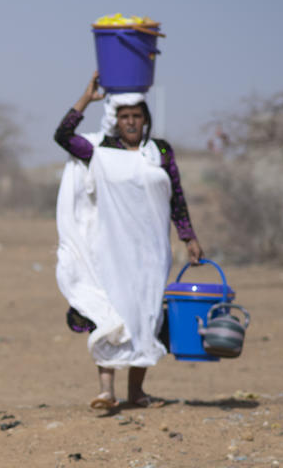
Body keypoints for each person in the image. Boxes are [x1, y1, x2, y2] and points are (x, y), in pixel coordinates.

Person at [53, 71, 204, 411]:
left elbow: (175, 197)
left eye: (137, 116)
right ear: (116, 120)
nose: (131, 122)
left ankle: (136, 392)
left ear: (145, 119)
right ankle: (106, 391)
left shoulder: (160, 152)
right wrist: (85, 98)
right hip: (111, 251)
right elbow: (62, 135)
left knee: (146, 315)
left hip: (152, 251)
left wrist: (188, 236)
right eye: (124, 116)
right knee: (111, 314)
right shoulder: (100, 151)